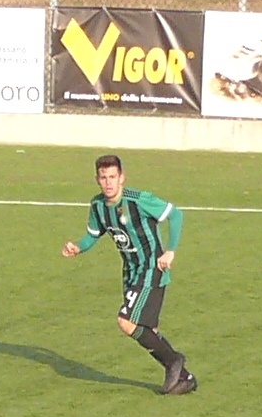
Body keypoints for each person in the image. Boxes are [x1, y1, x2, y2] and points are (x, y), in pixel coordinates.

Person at [60, 154, 196, 394]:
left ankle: (174, 360)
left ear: (122, 177)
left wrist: (171, 251)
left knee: (126, 321)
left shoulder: (138, 200)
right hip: (131, 273)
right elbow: (93, 234)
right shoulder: (98, 206)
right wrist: (79, 247)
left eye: (113, 177)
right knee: (148, 331)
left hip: (151, 268)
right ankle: (185, 378)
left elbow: (176, 214)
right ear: (97, 180)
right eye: (104, 177)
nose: (108, 182)